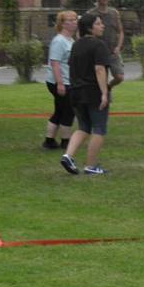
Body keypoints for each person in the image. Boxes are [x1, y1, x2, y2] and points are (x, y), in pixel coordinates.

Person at [60, 12, 111, 175]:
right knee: (99, 128)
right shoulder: (98, 45)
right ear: (89, 27)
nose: (102, 26)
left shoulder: (76, 45)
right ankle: (91, 165)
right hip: (93, 92)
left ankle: (68, 155)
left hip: (76, 92)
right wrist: (104, 93)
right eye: (98, 23)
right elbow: (99, 69)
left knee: (83, 127)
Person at [42, 10, 78, 150]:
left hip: (67, 81)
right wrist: (61, 83)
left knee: (59, 110)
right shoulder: (59, 41)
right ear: (62, 24)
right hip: (60, 82)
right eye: (70, 20)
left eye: (74, 19)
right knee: (68, 111)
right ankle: (66, 142)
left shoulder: (70, 40)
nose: (74, 22)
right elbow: (55, 63)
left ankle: (49, 141)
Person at [88, 0, 124, 90]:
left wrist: (118, 46)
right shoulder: (91, 13)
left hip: (113, 51)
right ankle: (104, 98)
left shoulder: (114, 13)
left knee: (119, 77)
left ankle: (109, 87)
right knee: (101, 78)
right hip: (98, 51)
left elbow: (120, 31)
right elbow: (84, 31)